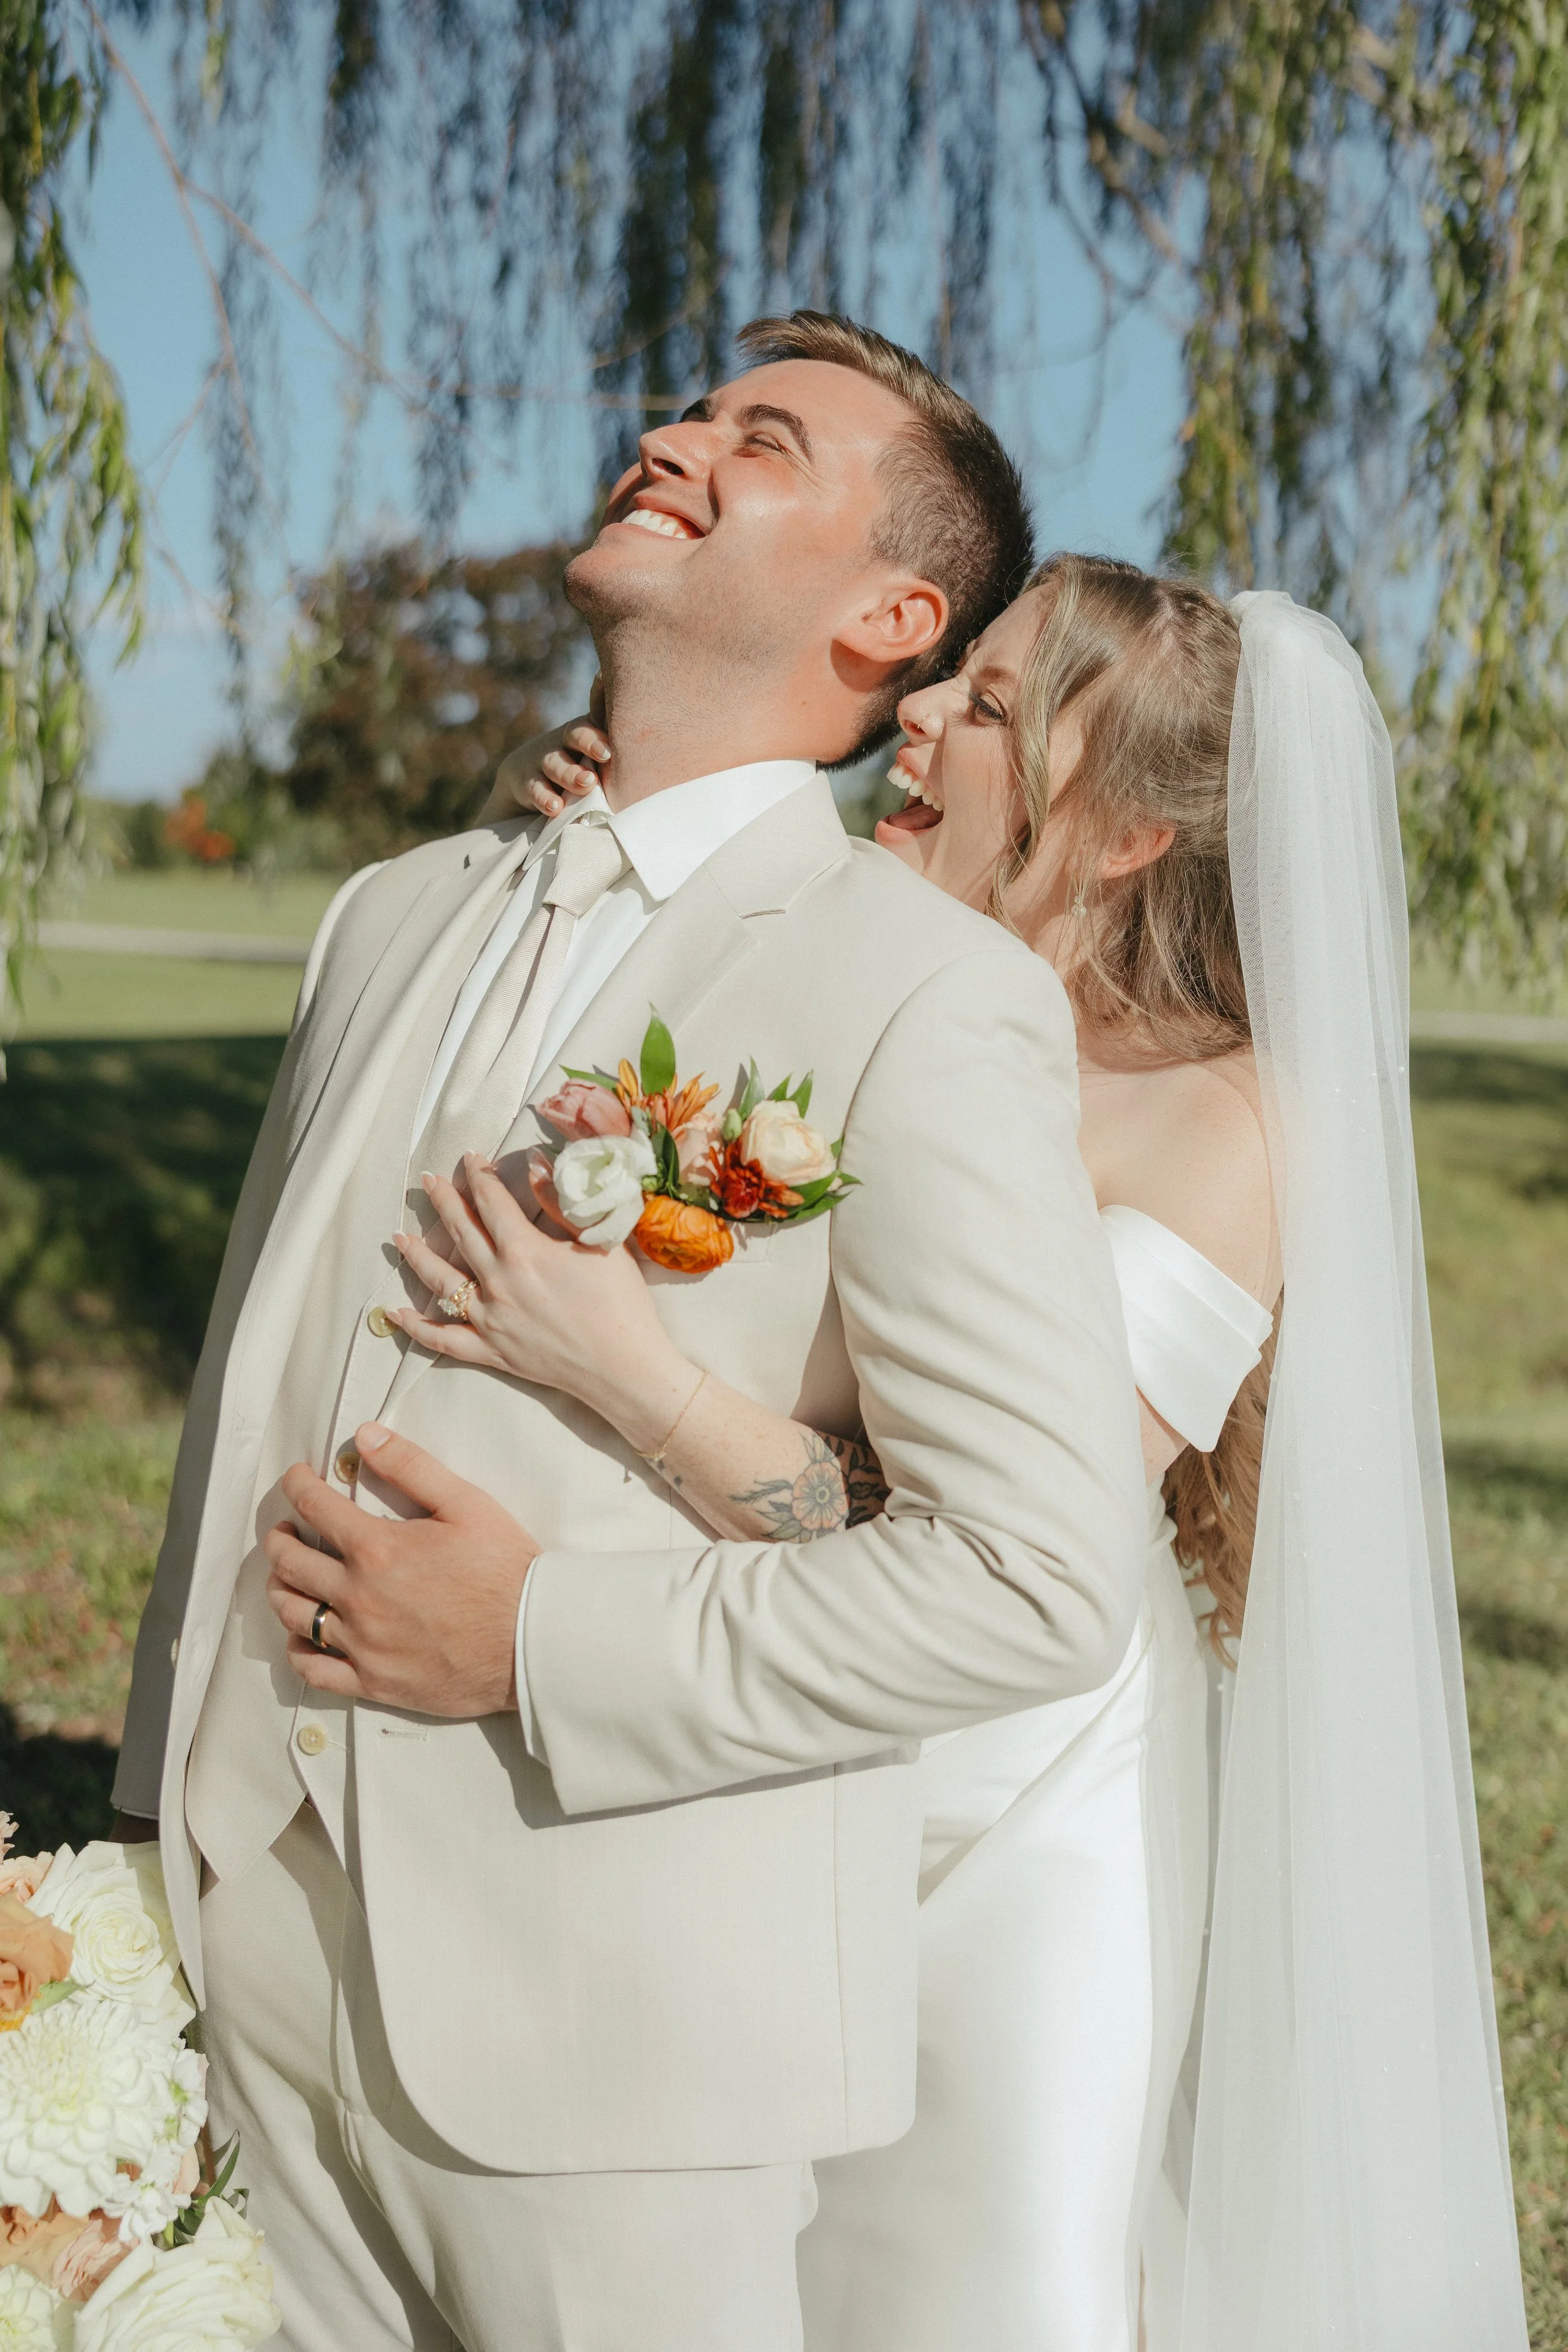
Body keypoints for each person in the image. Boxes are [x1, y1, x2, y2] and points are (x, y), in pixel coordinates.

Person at [109, 317, 1151, 2352]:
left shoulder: (921, 995)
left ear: (892, 614)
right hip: (239, 1952)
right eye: (684, 408)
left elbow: (1033, 1582)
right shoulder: (387, 913)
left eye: (762, 439)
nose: (670, 440)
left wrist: (527, 1641)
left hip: (614, 2026)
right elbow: (248, 1391)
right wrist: (159, 1836)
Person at [468, 554, 1532, 2349]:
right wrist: (599, 865)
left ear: (1118, 833)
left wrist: (627, 1370)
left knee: (964, 2272)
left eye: (986, 707)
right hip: (754, 1717)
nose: (915, 719)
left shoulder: (1222, 1117)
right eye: (948, 681)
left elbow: (1002, 1536)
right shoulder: (843, 992)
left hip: (1012, 1795)